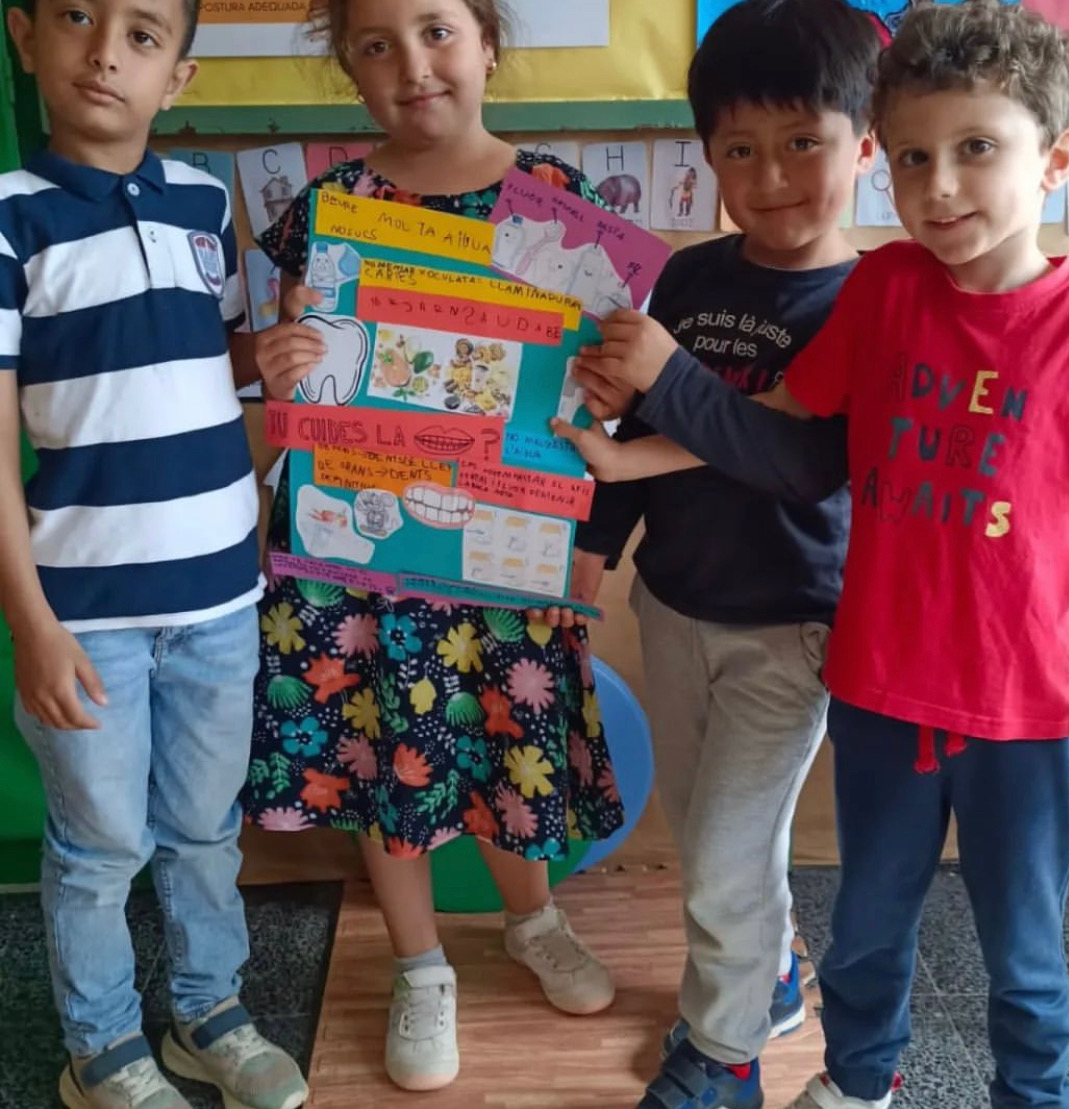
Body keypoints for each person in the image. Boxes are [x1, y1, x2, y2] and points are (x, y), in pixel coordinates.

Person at [558, 3, 1069, 1107]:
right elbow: (775, 418)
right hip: (877, 690)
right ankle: (860, 1079)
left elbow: (782, 451)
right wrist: (621, 465)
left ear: (1056, 159)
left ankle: (1038, 1093)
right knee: (864, 927)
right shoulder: (886, 288)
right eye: (914, 157)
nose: (940, 186)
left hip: (1018, 711)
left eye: (976, 148)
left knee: (1023, 953)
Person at [245, 0, 623, 1094]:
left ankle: (533, 920)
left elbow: (593, 382)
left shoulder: (558, 202)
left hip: (504, 541)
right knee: (381, 746)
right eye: (376, 45)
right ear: (350, 70)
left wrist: (602, 399)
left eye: (437, 30)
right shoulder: (329, 211)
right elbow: (305, 372)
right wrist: (284, 362)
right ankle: (419, 966)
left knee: (509, 734)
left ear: (488, 45)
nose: (412, 64)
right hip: (356, 545)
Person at [0, 2, 309, 1108]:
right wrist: (32, 624)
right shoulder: (11, 217)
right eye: (78, 18)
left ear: (177, 77)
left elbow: (202, 358)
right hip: (86, 614)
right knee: (98, 846)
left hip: (221, 595)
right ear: (25, 37)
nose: (104, 53)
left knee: (204, 829)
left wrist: (268, 352)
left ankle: (208, 1012)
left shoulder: (201, 202)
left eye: (141, 35)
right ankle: (101, 1050)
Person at [570, 3, 878, 1107]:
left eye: (803, 141)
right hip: (674, 602)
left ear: (865, 146)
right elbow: (632, 432)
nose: (772, 175)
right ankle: (771, 973)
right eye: (738, 149)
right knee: (711, 833)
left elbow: (800, 462)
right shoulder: (689, 281)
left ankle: (725, 1051)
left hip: (792, 625)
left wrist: (669, 374)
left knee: (725, 854)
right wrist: (592, 556)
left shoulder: (870, 301)